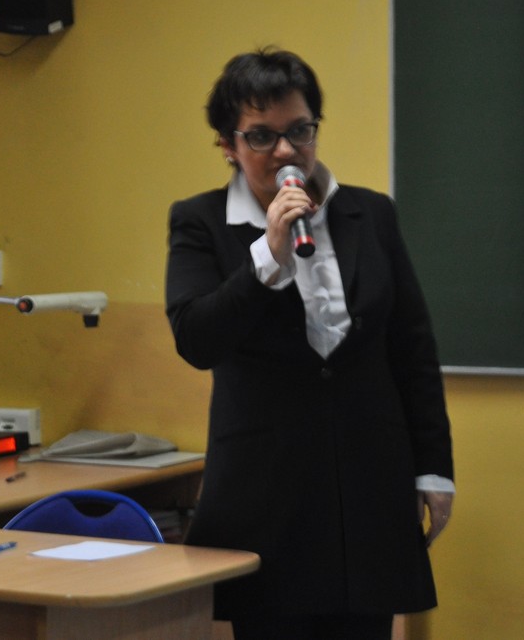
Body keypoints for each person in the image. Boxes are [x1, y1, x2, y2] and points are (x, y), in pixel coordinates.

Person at [164, 47, 455, 640]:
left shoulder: (371, 213)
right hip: (266, 497)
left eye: (300, 130)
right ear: (227, 144)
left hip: (368, 490)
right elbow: (197, 338)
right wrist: (266, 256)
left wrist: (433, 468)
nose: (286, 151)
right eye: (261, 137)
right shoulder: (201, 221)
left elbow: (412, 349)